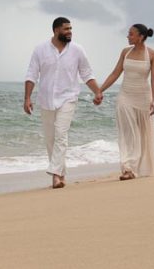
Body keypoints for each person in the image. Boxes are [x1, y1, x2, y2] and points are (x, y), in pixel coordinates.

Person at [24, 17, 103, 189]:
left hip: (68, 98)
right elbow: (31, 75)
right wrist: (27, 98)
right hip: (46, 99)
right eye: (66, 29)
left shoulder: (77, 50)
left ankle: (55, 174)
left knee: (61, 133)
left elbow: (86, 74)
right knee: (50, 139)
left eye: (70, 28)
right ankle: (61, 173)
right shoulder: (40, 49)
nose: (70, 32)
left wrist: (97, 92)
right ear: (56, 30)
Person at [99, 24, 154, 180]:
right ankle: (128, 168)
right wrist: (100, 90)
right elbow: (115, 73)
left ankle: (137, 166)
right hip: (125, 96)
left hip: (143, 98)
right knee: (128, 132)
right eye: (128, 34)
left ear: (140, 37)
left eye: (131, 34)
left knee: (141, 134)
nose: (128, 36)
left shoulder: (153, 55)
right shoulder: (125, 52)